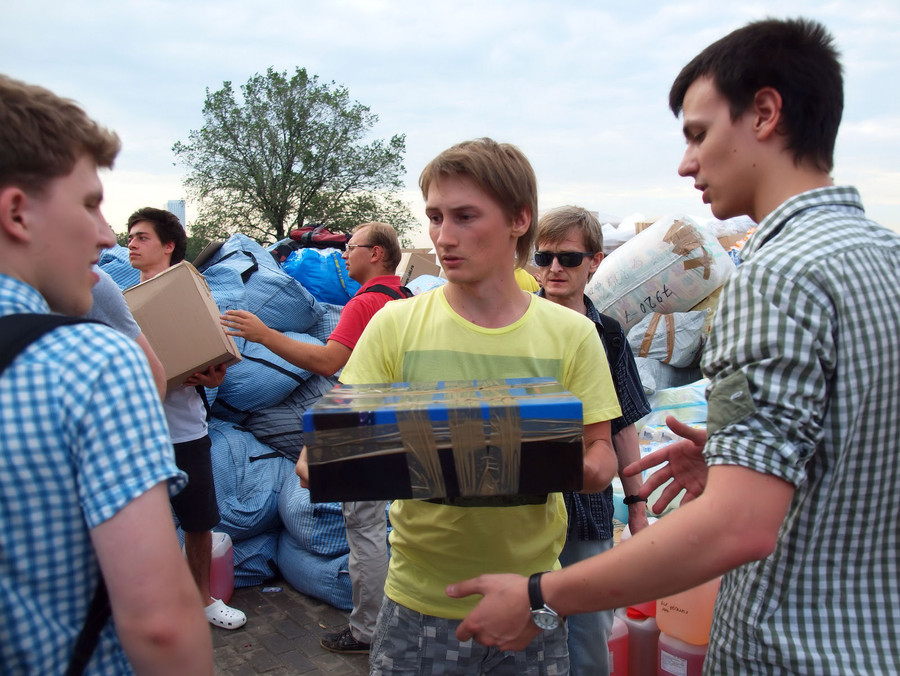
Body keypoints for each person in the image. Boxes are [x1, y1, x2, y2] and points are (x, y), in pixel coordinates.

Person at [447, 18, 900, 675]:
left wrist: (541, 595)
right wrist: (734, 461)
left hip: (789, 652)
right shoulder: (885, 256)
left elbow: (737, 528)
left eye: (698, 134)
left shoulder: (775, 279)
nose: (687, 163)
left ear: (765, 113)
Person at [298, 137, 622, 674]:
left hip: (530, 601)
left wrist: (530, 458)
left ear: (519, 219)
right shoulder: (395, 326)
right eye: (434, 217)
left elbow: (600, 457)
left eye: (465, 216)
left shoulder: (573, 335)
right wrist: (335, 462)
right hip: (419, 601)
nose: (444, 237)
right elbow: (322, 452)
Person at [0, 74, 213, 673]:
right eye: (90, 203)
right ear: (18, 212)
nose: (105, 235)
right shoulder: (90, 362)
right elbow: (160, 625)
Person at [221, 221, 411, 654]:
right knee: (394, 529)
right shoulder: (407, 298)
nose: (343, 253)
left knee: (363, 533)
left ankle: (368, 630)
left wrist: (263, 334)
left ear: (377, 253)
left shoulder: (364, 304)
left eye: (352, 246)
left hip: (366, 424)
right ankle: (402, 619)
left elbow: (328, 363)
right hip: (402, 420)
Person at [534, 205, 651, 675]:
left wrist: (638, 508)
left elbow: (623, 425)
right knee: (525, 630)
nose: (555, 268)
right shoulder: (513, 327)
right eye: (544, 258)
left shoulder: (609, 335)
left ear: (596, 261)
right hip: (526, 505)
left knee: (588, 636)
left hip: (587, 505)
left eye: (569, 257)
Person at [128, 206, 247, 631]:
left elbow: (213, 358)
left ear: (168, 246)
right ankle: (153, 607)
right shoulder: (120, 305)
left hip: (184, 430)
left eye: (141, 237)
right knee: (144, 526)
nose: (131, 243)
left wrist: (214, 373)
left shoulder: (188, 296)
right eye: (131, 236)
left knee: (199, 522)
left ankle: (202, 600)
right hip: (137, 433)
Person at [87, 263, 168, 398]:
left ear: (169, 247)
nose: (132, 245)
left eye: (143, 240)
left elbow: (155, 376)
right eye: (130, 240)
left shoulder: (96, 284)